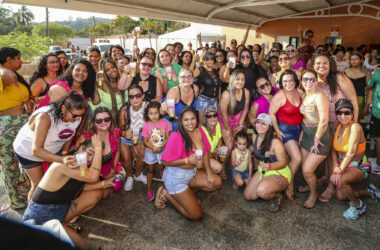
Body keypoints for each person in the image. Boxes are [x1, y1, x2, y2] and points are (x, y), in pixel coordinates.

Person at [23, 134, 114, 249]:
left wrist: (103, 184)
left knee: (96, 193)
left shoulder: (81, 164)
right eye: (91, 154)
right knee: (78, 243)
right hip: (41, 216)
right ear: (81, 149)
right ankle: (60, 229)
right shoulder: (63, 164)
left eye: (95, 157)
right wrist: (98, 149)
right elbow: (92, 177)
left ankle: (64, 225)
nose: (91, 160)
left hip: (60, 208)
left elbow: (78, 188)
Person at [13, 92, 87, 202]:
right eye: (75, 115)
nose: (77, 119)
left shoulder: (76, 116)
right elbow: (36, 150)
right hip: (27, 151)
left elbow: (69, 134)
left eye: (80, 115)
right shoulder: (45, 117)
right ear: (63, 108)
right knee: (39, 186)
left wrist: (64, 152)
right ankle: (31, 216)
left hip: (51, 150)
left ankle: (52, 207)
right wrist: (62, 160)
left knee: (57, 180)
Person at [154, 107, 222, 220]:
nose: (190, 123)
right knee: (196, 215)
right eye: (186, 120)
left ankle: (187, 195)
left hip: (191, 173)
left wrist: (209, 173)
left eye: (192, 119)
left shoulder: (199, 130)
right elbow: (165, 162)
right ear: (181, 121)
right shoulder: (176, 136)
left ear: (197, 119)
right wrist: (187, 161)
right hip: (176, 178)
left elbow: (204, 152)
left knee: (216, 183)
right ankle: (168, 194)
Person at [323, 99, 379, 219]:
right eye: (339, 113)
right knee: (341, 196)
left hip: (359, 165)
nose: (343, 116)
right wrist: (335, 165)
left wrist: (338, 171)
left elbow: (352, 152)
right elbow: (333, 150)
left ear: (353, 114)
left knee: (340, 181)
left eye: (347, 113)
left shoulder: (355, 127)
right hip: (344, 164)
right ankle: (369, 192)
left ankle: (358, 205)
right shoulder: (336, 127)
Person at [0, 47, 31, 209]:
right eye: (18, 58)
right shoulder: (5, 73)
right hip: (6, 124)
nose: (21, 61)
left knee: (26, 160)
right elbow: (9, 76)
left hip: (23, 122)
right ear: (8, 59)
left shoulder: (16, 77)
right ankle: (16, 200)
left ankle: (28, 194)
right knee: (9, 163)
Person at [244, 113, 290, 212]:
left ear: (270, 126)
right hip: (263, 168)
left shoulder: (275, 142)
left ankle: (277, 195)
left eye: (264, 123)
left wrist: (271, 167)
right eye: (258, 122)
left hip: (279, 171)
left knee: (261, 191)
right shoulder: (254, 136)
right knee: (248, 195)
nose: (259, 125)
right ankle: (267, 185)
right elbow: (257, 155)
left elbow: (283, 162)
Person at [269, 69, 303, 201]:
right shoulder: (279, 95)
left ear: (295, 80)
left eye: (290, 80)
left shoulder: (300, 93)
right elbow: (271, 113)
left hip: (299, 129)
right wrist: (277, 131)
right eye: (284, 81)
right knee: (297, 158)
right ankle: (287, 184)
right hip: (286, 130)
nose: (288, 83)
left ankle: (287, 181)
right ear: (281, 83)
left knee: (290, 160)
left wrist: (303, 129)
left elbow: (305, 112)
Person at [299, 70, 331, 208]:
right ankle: (309, 183)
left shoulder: (320, 97)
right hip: (306, 136)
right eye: (305, 79)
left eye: (312, 79)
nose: (308, 82)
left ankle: (314, 193)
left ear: (316, 81)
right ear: (301, 82)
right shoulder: (305, 96)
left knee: (307, 170)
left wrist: (317, 138)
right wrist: (302, 132)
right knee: (304, 167)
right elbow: (305, 117)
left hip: (321, 138)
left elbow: (324, 120)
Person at [74, 106, 122, 195]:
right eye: (99, 120)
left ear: (111, 120)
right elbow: (76, 155)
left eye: (107, 119)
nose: (103, 122)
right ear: (94, 123)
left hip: (107, 171)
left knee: (107, 193)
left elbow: (117, 152)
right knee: (98, 194)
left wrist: (112, 170)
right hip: (89, 173)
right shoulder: (86, 137)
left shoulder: (115, 133)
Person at [119, 84, 147, 191]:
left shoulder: (148, 107)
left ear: (143, 96)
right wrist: (125, 133)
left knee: (143, 153)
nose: (135, 99)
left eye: (138, 95)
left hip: (144, 135)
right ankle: (130, 176)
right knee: (126, 157)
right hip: (128, 137)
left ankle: (138, 175)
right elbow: (121, 130)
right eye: (131, 97)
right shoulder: (124, 110)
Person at [142, 102, 171, 201]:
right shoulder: (146, 125)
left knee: (162, 168)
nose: (154, 116)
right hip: (150, 152)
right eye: (151, 113)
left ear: (160, 112)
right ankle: (149, 190)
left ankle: (165, 187)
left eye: (156, 113)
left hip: (162, 151)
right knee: (150, 170)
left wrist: (162, 147)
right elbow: (145, 141)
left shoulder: (165, 123)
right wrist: (154, 148)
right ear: (147, 114)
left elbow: (168, 137)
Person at [219, 70, 250, 152]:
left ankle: (236, 163)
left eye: (243, 79)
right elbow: (224, 115)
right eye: (237, 79)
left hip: (238, 119)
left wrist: (240, 125)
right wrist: (230, 132)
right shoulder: (226, 94)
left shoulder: (246, 92)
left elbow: (245, 109)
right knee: (229, 145)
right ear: (232, 79)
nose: (240, 81)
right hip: (225, 120)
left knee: (238, 144)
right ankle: (223, 163)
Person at [194, 52, 222, 122]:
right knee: (202, 123)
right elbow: (190, 76)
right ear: (203, 61)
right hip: (203, 100)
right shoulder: (200, 70)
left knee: (213, 123)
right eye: (207, 59)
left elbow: (219, 87)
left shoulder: (216, 71)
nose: (209, 61)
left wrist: (220, 100)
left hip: (214, 101)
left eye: (211, 59)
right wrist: (194, 61)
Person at [344, 51, 371, 120]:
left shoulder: (366, 72)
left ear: (361, 60)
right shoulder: (345, 71)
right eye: (352, 59)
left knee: (356, 122)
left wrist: (367, 105)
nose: (354, 61)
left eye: (356, 59)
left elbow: (369, 90)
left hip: (360, 100)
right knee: (345, 120)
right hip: (346, 99)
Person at [201, 105, 226, 179]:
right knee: (218, 168)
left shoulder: (217, 125)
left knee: (219, 167)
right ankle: (201, 176)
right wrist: (215, 154)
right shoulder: (202, 130)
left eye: (214, 115)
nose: (212, 118)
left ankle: (206, 175)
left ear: (217, 116)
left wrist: (219, 148)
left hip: (211, 154)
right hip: (202, 157)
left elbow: (219, 140)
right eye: (209, 116)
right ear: (205, 118)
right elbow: (204, 153)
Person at [367, 67, 380, 170]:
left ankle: (378, 164)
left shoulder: (377, 73)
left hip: (378, 113)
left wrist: (373, 73)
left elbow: (368, 86)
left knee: (378, 139)